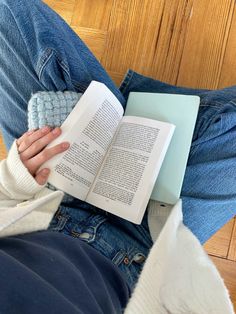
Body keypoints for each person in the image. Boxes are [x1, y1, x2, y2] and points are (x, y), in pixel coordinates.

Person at [0, 0, 235, 313]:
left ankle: (140, 113)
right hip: (151, 250)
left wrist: (13, 182)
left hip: (50, 197)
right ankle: (150, 114)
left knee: (10, 14)